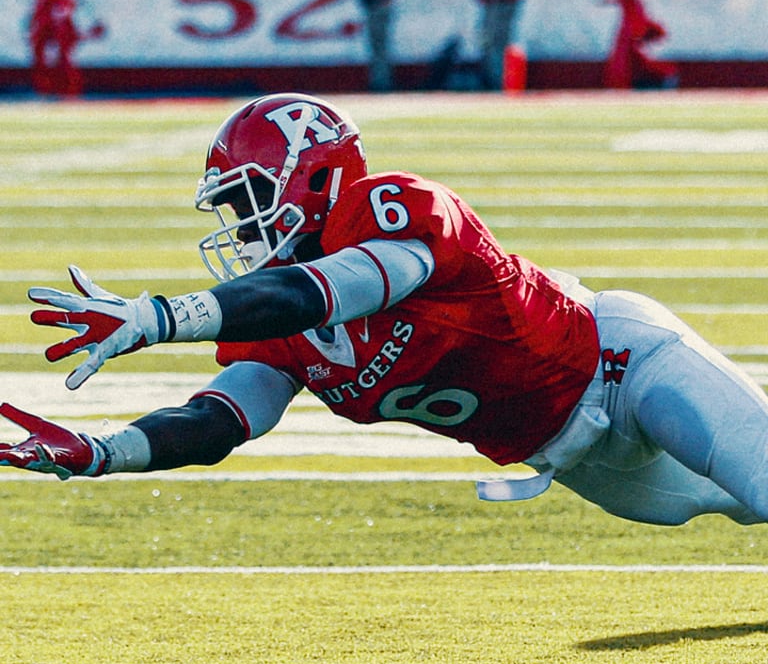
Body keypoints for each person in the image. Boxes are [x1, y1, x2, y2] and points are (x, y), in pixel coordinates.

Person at [4, 92, 768, 528]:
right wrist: (105, 451)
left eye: (248, 199)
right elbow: (218, 425)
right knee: (736, 507)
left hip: (622, 365)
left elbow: (331, 289)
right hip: (566, 452)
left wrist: (160, 318)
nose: (238, 226)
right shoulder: (277, 324)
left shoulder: (387, 210)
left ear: (311, 179)